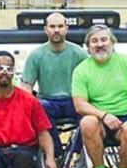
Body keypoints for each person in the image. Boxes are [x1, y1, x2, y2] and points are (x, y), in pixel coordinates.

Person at [71, 24, 127, 168]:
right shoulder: (82, 70)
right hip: (99, 120)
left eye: (104, 40)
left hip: (125, 119)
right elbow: (80, 105)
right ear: (88, 47)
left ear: (112, 43)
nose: (100, 44)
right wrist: (104, 115)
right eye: (94, 41)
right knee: (87, 122)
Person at [21, 11, 87, 150]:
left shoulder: (79, 53)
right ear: (46, 29)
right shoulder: (36, 55)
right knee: (39, 108)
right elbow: (26, 86)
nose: (56, 30)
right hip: (48, 102)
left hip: (74, 100)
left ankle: (75, 152)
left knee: (89, 117)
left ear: (66, 29)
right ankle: (56, 152)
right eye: (52, 26)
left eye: (60, 26)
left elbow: (90, 80)